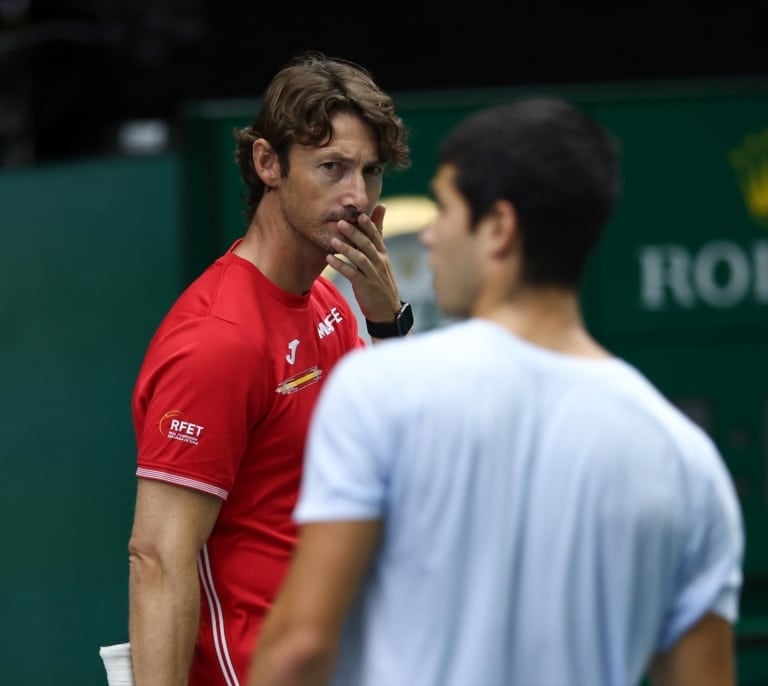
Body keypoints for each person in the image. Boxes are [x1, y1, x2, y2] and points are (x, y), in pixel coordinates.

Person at [246, 97, 745, 686]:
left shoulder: (378, 392)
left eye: (448, 210)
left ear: (499, 230)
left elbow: (300, 649)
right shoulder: (687, 461)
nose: (429, 236)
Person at [127, 50, 413, 686]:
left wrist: (389, 324)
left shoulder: (332, 304)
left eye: (370, 172)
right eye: (332, 168)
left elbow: (396, 464)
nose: (357, 197)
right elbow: (159, 557)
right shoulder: (218, 340)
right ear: (267, 164)